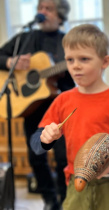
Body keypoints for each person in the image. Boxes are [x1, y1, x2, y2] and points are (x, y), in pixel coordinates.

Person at [30, 24, 109, 210]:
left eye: (84, 59)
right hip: (76, 183)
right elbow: (36, 142)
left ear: (105, 61)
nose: (75, 66)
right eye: (70, 60)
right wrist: (45, 139)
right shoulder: (62, 100)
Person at [0, 0, 74, 209]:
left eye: (48, 9)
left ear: (60, 16)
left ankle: (63, 200)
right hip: (32, 110)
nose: (42, 12)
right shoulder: (26, 37)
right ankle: (49, 201)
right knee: (36, 159)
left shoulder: (67, 41)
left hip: (60, 109)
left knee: (62, 159)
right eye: (40, 8)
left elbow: (74, 80)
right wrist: (9, 63)